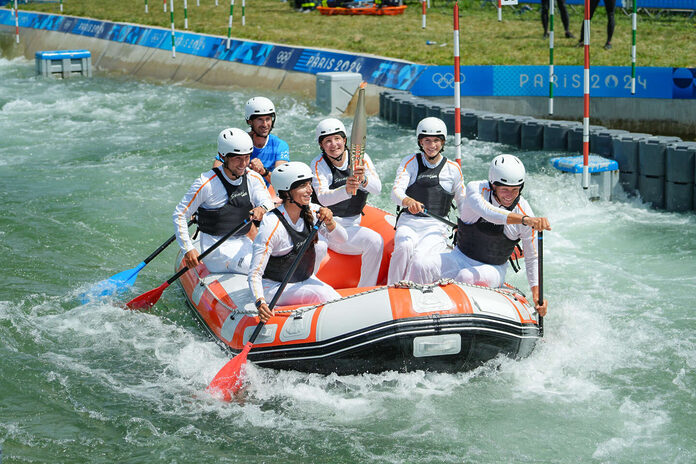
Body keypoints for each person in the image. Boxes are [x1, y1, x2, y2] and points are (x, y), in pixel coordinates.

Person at [413, 154, 550, 316]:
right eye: (504, 189)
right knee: (420, 264)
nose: (509, 195)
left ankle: (451, 316)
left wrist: (536, 295)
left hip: (493, 269)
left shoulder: (524, 210)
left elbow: (532, 257)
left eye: (515, 190)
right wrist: (525, 220)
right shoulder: (475, 189)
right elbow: (490, 213)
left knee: (466, 277)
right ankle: (414, 312)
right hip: (459, 257)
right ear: (493, 185)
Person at [249, 161, 348, 322]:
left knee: (322, 249)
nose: (310, 190)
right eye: (303, 186)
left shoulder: (313, 210)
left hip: (304, 278)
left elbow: (342, 239)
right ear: (287, 193)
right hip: (273, 287)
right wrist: (260, 302)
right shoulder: (272, 224)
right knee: (323, 294)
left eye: (309, 184)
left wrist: (330, 222)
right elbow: (255, 273)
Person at [173, 128, 273, 274]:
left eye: (246, 157)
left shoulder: (253, 177)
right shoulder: (206, 183)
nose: (243, 164)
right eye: (237, 158)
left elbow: (268, 202)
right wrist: (188, 248)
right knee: (266, 269)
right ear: (223, 156)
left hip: (243, 243)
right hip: (216, 251)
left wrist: (262, 208)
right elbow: (179, 214)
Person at [388, 117, 466, 285]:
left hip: (436, 226)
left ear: (443, 142)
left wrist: (468, 227)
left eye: (436, 140)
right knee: (404, 246)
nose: (432, 145)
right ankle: (391, 287)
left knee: (419, 261)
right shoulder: (410, 162)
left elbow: (463, 204)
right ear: (420, 142)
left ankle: (413, 291)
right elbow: (396, 192)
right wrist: (408, 201)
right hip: (409, 222)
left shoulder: (453, 169)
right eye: (427, 140)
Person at [310, 118, 384, 287]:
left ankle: (365, 290)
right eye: (327, 141)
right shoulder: (318, 163)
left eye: (337, 139)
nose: (333, 144)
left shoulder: (362, 158)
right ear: (321, 145)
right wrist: (347, 189)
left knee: (376, 241)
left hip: (350, 225)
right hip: (323, 225)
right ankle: (303, 285)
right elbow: (322, 197)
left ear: (344, 140)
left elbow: (378, 189)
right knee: (319, 247)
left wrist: (363, 179)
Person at [214, 96, 290, 186]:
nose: (265, 124)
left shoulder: (280, 145)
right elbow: (216, 173)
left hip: (266, 191)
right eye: (260, 120)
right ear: (250, 121)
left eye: (268, 119)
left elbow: (281, 182)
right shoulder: (237, 141)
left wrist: (263, 171)